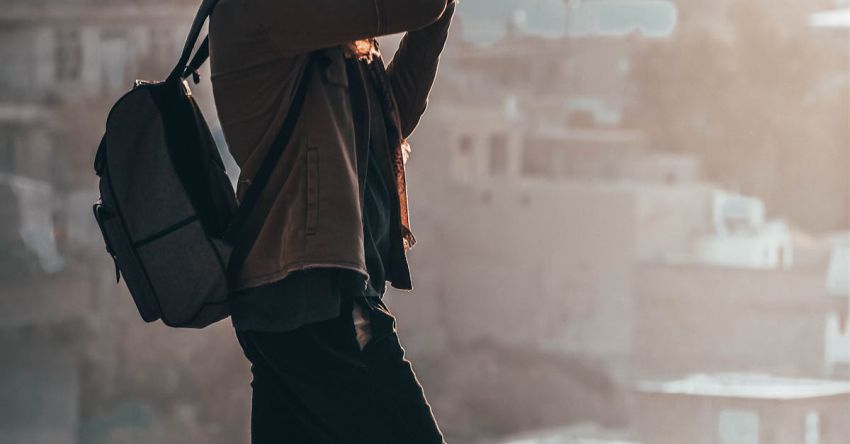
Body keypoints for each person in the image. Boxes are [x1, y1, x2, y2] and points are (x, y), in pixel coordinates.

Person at [208, 0, 456, 442]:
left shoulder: (326, 39)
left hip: (299, 303)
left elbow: (391, 119)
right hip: (314, 300)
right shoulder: (263, 10)